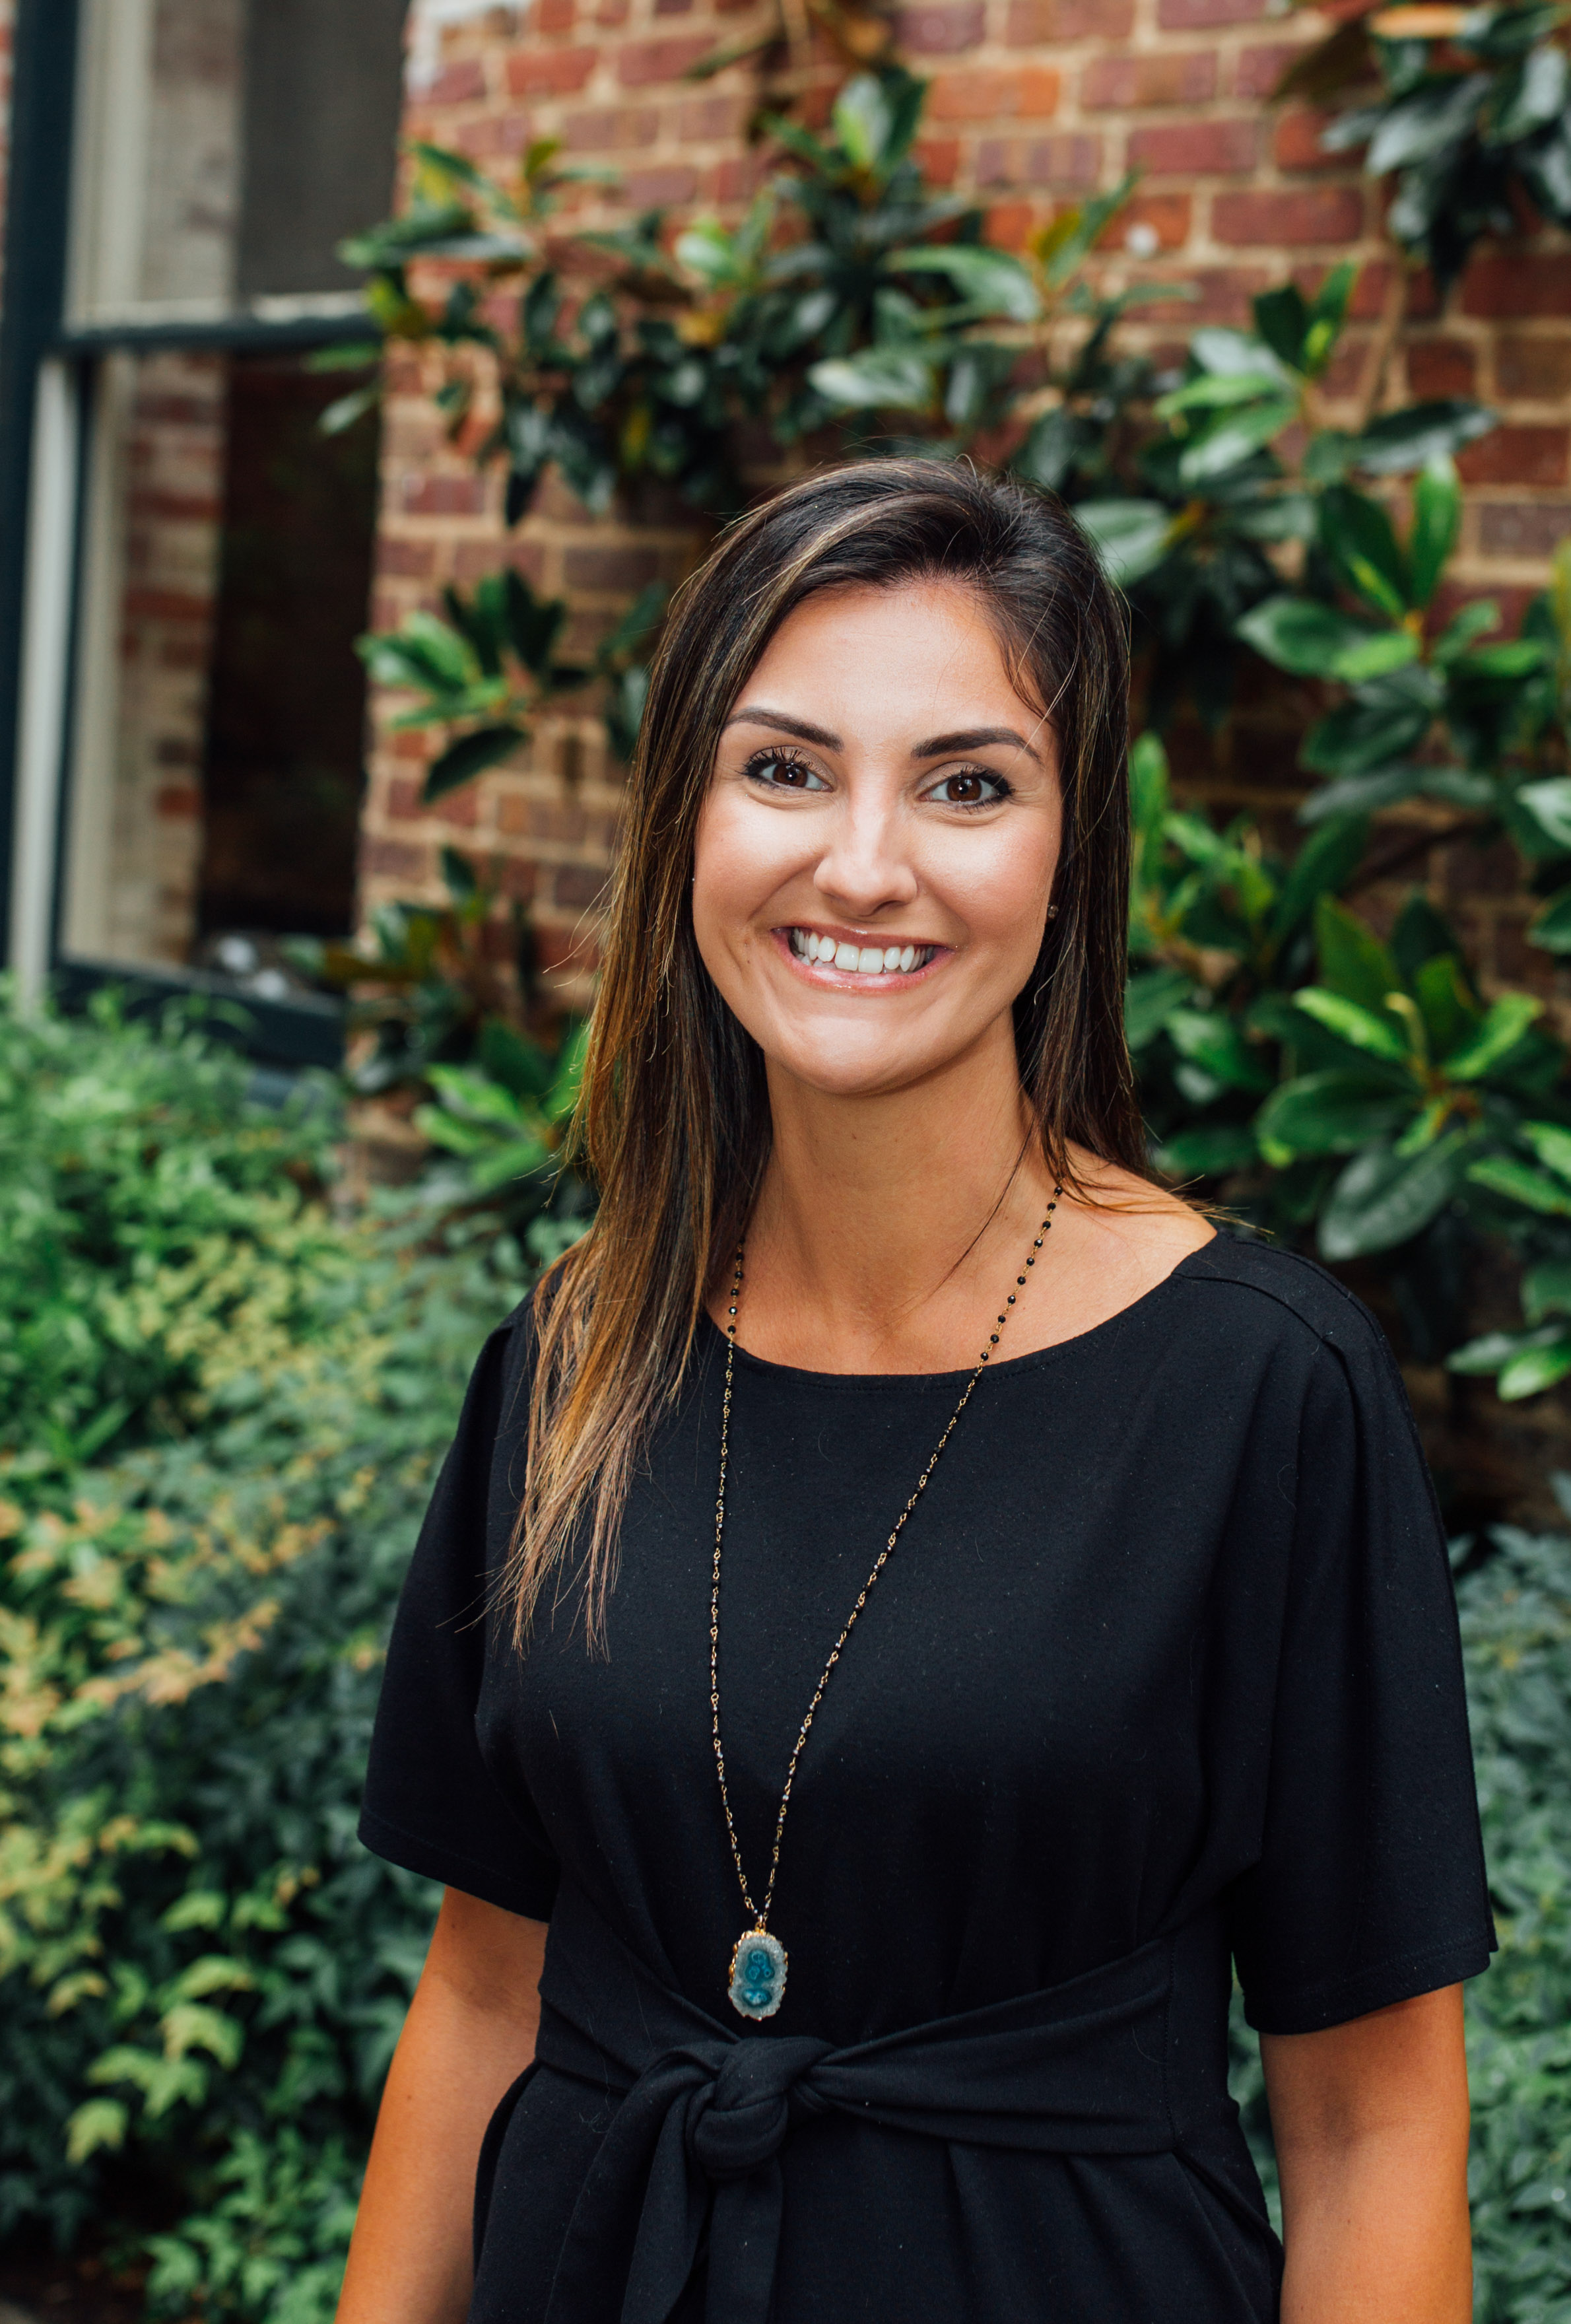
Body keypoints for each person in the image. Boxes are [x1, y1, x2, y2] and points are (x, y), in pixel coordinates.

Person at [337, 459, 1494, 2324]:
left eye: (968, 784)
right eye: (786, 768)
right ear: (687, 818)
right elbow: (482, 1988)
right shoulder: (577, 1352)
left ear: (1069, 855)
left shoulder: (1262, 1391)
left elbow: (1375, 2124)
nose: (864, 864)